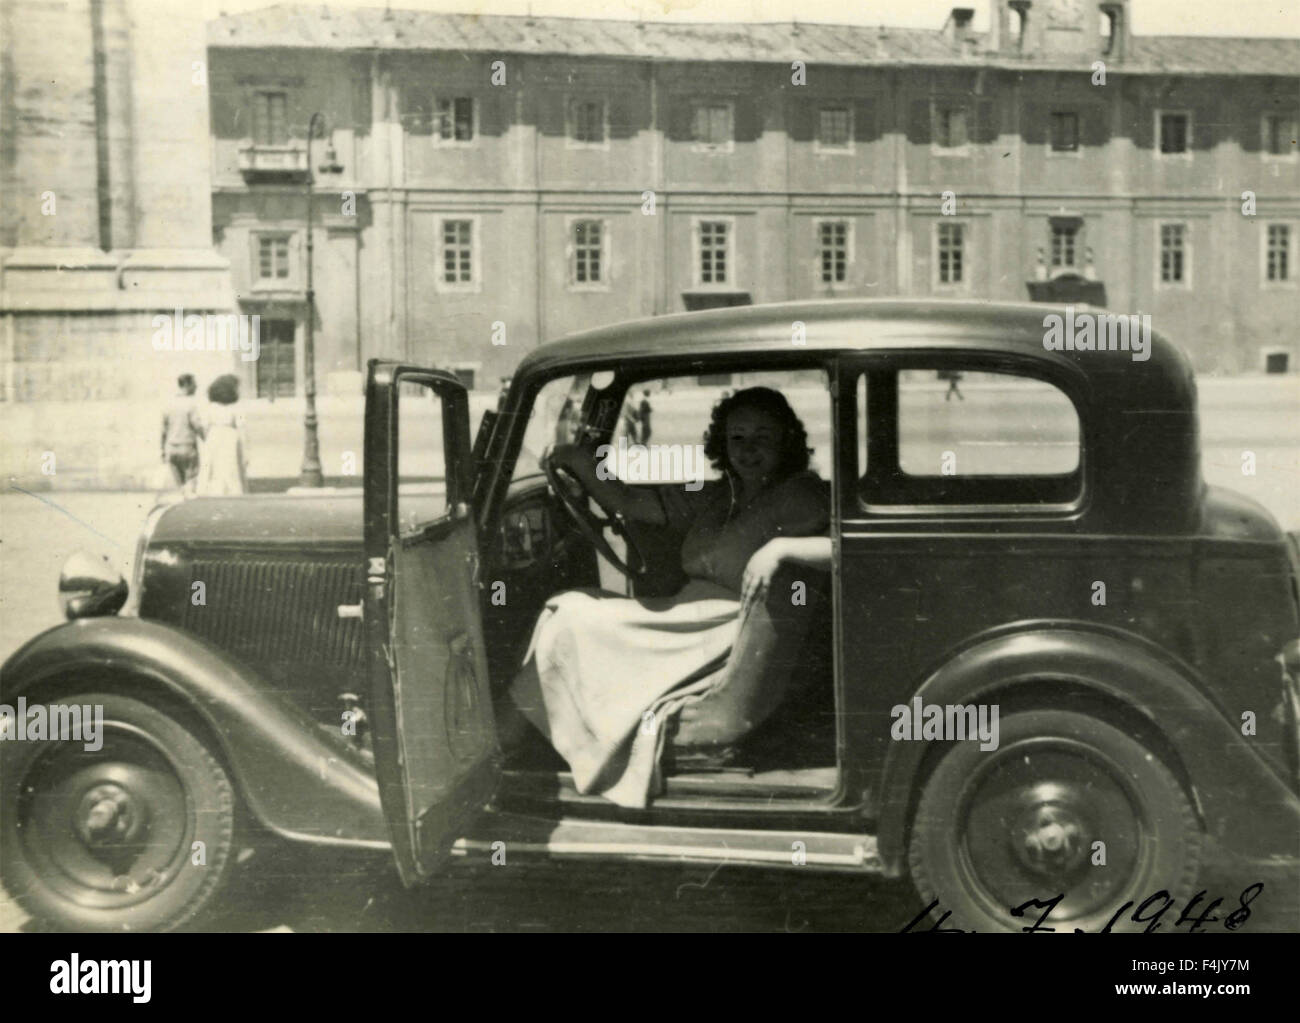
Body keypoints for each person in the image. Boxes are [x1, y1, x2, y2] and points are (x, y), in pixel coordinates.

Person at [505, 386, 832, 805]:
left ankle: (508, 741)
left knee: (569, 615)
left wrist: (782, 549)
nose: (748, 450)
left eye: (762, 437)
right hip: (687, 620)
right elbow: (628, 501)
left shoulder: (800, 493)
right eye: (738, 438)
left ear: (786, 441)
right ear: (723, 443)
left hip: (723, 635)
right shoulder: (722, 494)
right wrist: (578, 460)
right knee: (566, 609)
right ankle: (521, 738)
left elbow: (854, 546)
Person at [195, 374, 248, 496]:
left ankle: (211, 490)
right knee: (230, 465)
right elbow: (241, 428)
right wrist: (245, 449)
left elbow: (205, 426)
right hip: (230, 437)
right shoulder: (236, 408)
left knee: (213, 465)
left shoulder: (210, 408)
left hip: (214, 436)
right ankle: (231, 491)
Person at [160, 374, 202, 491]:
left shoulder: (169, 404)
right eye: (194, 384)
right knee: (191, 481)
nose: (196, 387)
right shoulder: (191, 404)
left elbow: (163, 430)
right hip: (187, 448)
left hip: (171, 448)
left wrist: (162, 450)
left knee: (180, 486)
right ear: (187, 385)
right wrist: (206, 438)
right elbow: (197, 425)